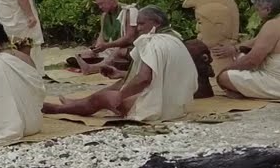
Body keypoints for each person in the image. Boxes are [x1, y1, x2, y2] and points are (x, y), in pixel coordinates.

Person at [43, 6, 198, 122]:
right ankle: (75, 104)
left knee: (104, 98)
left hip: (159, 108)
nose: (138, 28)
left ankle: (59, 109)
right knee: (121, 82)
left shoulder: (152, 41)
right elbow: (162, 75)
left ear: (155, 23)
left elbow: (144, 78)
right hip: (177, 106)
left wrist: (121, 96)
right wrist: (122, 74)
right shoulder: (175, 39)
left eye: (142, 24)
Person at [68, 0, 138, 73]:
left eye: (102, 4)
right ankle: (94, 64)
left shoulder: (129, 12)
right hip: (110, 48)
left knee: (116, 52)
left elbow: (129, 38)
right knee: (86, 54)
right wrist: (97, 48)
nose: (100, 7)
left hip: (127, 48)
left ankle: (92, 68)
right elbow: (101, 36)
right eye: (98, 4)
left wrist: (106, 46)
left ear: (111, 0)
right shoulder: (104, 16)